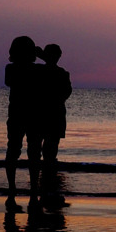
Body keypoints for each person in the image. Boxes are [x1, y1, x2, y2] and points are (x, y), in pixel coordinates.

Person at [4, 36, 43, 211]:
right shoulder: (36, 70)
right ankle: (31, 189)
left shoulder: (12, 69)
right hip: (31, 115)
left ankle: (14, 188)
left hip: (19, 115)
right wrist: (41, 55)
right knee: (32, 153)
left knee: (15, 151)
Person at [38, 43, 72, 209]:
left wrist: (42, 55)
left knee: (44, 148)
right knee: (50, 148)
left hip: (46, 113)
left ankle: (45, 180)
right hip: (54, 113)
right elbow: (66, 93)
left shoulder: (40, 71)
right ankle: (47, 181)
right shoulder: (62, 73)